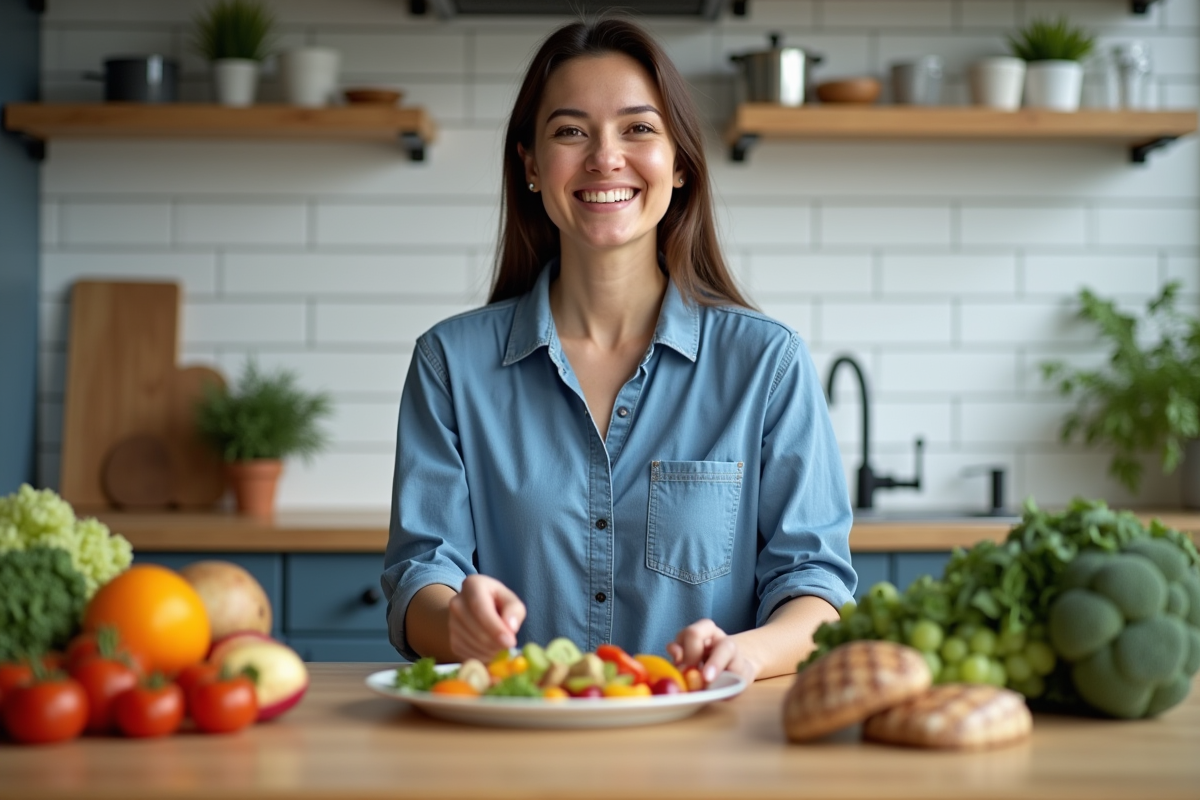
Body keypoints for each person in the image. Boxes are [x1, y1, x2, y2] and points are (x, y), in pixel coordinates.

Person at [381, 17, 855, 684]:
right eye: (571, 131)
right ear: (531, 167)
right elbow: (418, 573)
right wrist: (456, 618)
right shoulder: (450, 365)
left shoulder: (766, 365)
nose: (605, 157)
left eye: (638, 128)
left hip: (709, 756)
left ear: (681, 164)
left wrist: (741, 654)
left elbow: (817, 587)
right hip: (517, 747)